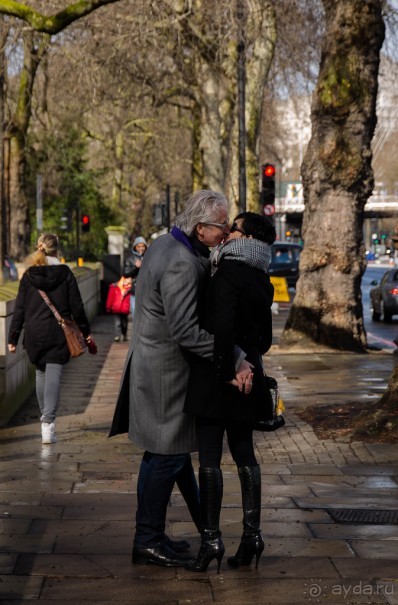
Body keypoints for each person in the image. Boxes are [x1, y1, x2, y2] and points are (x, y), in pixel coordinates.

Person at [109, 190, 252, 568]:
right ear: (201, 228)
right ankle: (147, 540)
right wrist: (235, 357)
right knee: (166, 457)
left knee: (162, 455)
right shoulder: (181, 263)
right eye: (222, 227)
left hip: (154, 367)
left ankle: (161, 535)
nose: (226, 233)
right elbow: (187, 332)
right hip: (166, 376)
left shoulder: (163, 243)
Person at [183, 212, 276, 573]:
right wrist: (248, 363)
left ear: (246, 237)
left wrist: (228, 370)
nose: (227, 231)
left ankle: (211, 541)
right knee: (244, 455)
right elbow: (265, 340)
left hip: (219, 376)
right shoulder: (261, 277)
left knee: (209, 457)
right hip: (249, 375)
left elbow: (220, 328)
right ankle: (252, 536)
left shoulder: (225, 274)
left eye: (234, 227)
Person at [7, 233, 96, 444]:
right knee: (54, 371)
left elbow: (19, 308)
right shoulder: (65, 273)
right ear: (57, 250)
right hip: (59, 330)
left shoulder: (29, 275)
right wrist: (85, 331)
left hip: (35, 332)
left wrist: (13, 337)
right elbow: (77, 306)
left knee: (40, 372)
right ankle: (48, 423)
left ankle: (44, 419)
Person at [123, 236, 148, 316]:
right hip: (135, 290)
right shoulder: (130, 259)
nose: (141, 248)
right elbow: (126, 273)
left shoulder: (149, 257)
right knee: (135, 313)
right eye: (139, 246)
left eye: (143, 246)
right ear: (135, 247)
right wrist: (135, 267)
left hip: (148, 290)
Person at [106, 276, 133, 341]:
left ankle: (124, 335)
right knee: (118, 323)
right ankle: (117, 336)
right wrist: (108, 307)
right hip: (117, 308)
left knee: (124, 323)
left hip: (124, 309)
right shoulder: (114, 288)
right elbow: (110, 298)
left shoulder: (130, 289)